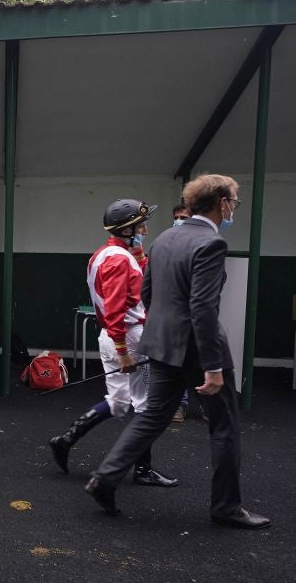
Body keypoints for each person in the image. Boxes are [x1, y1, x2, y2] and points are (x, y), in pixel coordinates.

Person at [85, 175, 270, 530]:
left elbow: (148, 294)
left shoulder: (165, 239)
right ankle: (227, 507)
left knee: (152, 416)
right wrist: (213, 366)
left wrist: (160, 334)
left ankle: (104, 478)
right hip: (201, 351)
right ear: (223, 204)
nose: (234, 208)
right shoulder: (211, 244)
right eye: (235, 201)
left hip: (162, 344)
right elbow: (203, 307)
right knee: (225, 428)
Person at [49, 199, 178, 488]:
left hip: (111, 335)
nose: (145, 228)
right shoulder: (120, 260)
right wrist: (123, 351)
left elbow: (136, 287)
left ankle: (66, 440)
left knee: (120, 402)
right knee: (146, 405)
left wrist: (140, 256)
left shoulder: (106, 254)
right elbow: (116, 306)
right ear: (127, 228)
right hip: (128, 336)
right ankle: (143, 470)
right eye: (139, 224)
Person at [171, 202, 194, 423]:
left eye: (184, 217)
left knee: (201, 363)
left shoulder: (202, 244)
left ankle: (209, 405)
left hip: (197, 314)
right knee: (176, 363)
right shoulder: (167, 243)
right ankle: (179, 403)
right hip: (173, 315)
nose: (179, 221)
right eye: (177, 217)